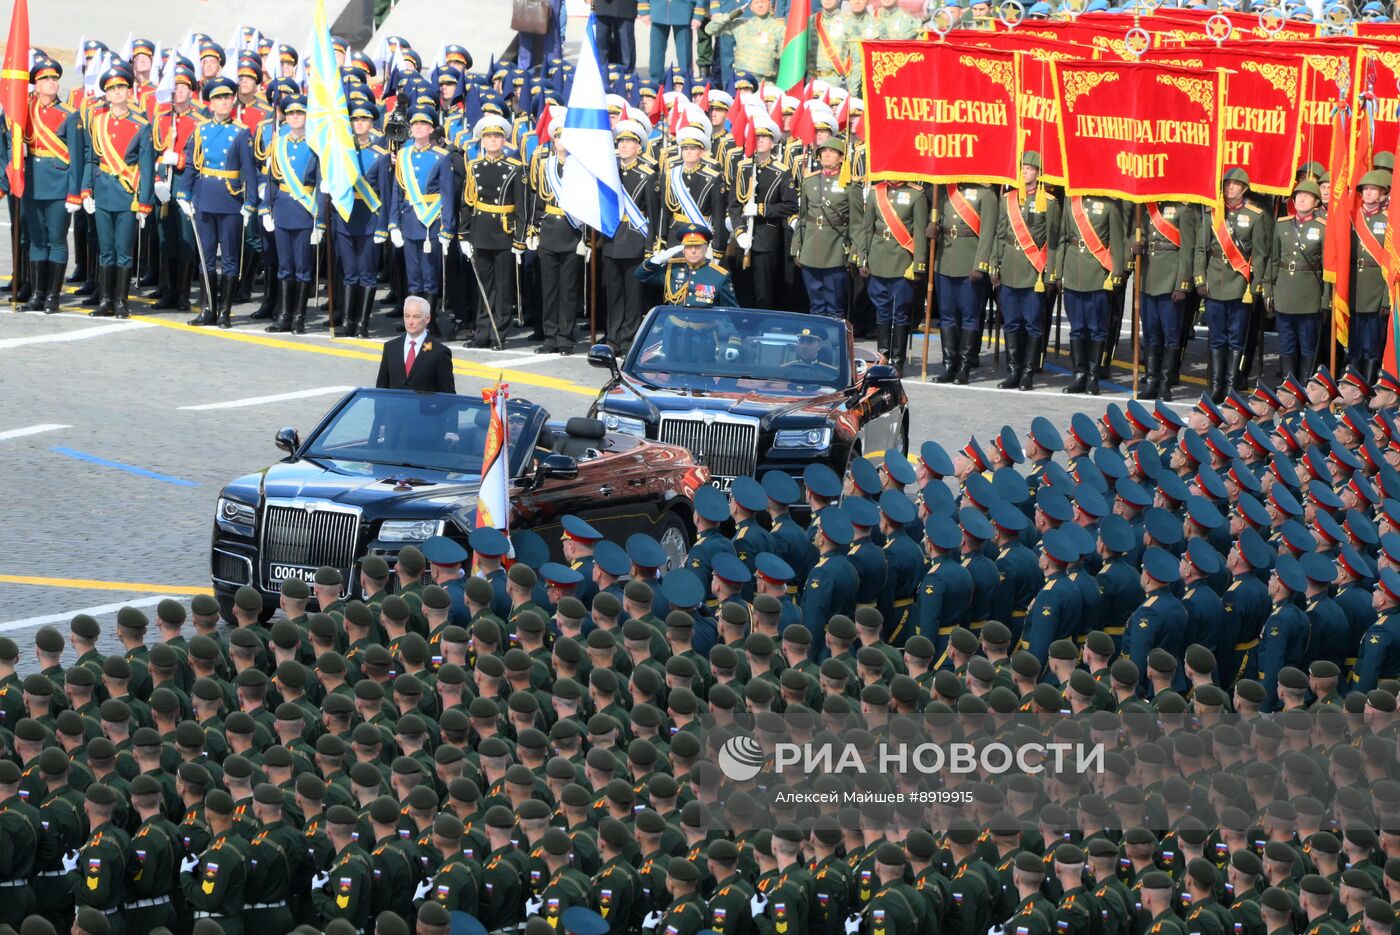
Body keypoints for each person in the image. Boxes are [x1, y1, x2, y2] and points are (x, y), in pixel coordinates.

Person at [176, 76, 257, 329]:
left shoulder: (241, 132)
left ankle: (225, 311)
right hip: (205, 198)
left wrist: (250, 203)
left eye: (226, 97)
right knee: (206, 256)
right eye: (217, 98)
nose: (223, 102)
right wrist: (183, 194)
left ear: (233, 101)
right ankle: (207, 308)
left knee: (231, 258)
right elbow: (192, 164)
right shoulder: (201, 130)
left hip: (230, 199)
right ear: (210, 103)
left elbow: (249, 170)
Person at [83, 63, 155, 320]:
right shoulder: (98, 121)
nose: (116, 92)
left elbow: (146, 166)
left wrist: (145, 201)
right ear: (106, 93)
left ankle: (121, 302)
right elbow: (91, 159)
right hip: (103, 192)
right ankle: (105, 300)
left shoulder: (141, 125)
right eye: (112, 89)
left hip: (127, 194)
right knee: (106, 249)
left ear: (129, 91)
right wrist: (86, 189)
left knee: (123, 251)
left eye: (121, 87)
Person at [22, 58, 85, 314]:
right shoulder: (24, 110)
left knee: (57, 239)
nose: (52, 83)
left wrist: (75, 191)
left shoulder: (69, 115)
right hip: (33, 182)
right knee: (37, 239)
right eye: (46, 79)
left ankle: (52, 296)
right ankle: (37, 294)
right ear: (35, 85)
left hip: (59, 183)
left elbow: (77, 157)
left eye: (54, 79)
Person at [260, 95, 320, 335]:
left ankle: (299, 317)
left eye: (300, 113)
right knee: (284, 266)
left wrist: (321, 222)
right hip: (283, 210)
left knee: (303, 267)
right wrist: (267, 208)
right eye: (291, 114)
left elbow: (320, 183)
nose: (295, 117)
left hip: (305, 211)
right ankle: (284, 315)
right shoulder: (278, 144)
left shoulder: (316, 144)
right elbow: (271, 180)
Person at [792, 137, 853, 322]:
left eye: (832, 151)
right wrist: (796, 248)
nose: (826, 155)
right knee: (816, 304)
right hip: (811, 248)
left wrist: (855, 253)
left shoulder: (849, 184)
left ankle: (835, 346)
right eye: (823, 151)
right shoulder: (809, 181)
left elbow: (856, 223)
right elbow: (802, 218)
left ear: (842, 157)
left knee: (835, 306)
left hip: (835, 250)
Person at [635, 224, 738, 307]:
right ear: (683, 250)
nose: (693, 251)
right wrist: (656, 260)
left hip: (703, 330)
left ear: (706, 248)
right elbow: (640, 275)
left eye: (697, 246)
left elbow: (731, 310)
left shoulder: (719, 276)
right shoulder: (672, 269)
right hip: (674, 328)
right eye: (689, 247)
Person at [376, 296, 457, 392]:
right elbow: (381, 390)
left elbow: (448, 395)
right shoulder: (390, 347)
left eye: (416, 317)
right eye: (407, 316)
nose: (410, 322)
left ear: (427, 319)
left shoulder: (439, 352)